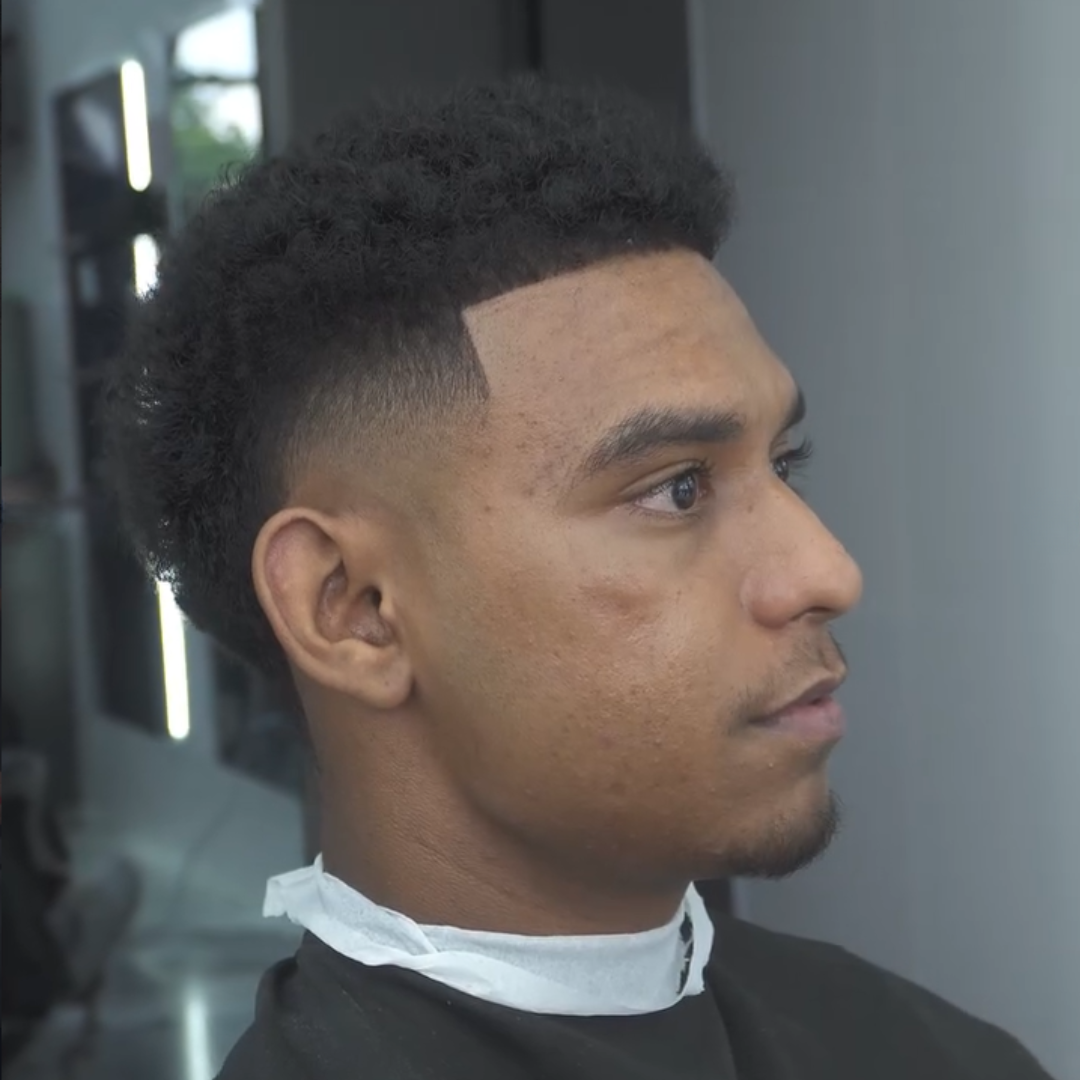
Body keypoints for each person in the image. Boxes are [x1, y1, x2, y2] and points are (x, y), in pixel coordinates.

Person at [101, 80, 1053, 1079]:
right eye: (677, 490)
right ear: (354, 610)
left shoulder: (934, 1051)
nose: (826, 572)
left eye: (785, 465)